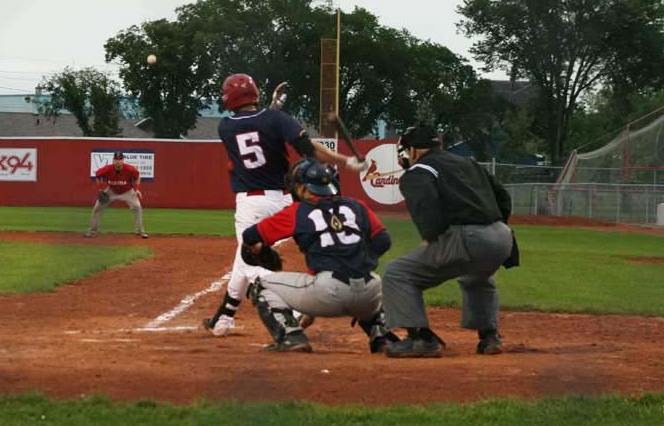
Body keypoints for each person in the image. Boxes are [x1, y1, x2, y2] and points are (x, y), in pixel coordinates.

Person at [203, 74, 368, 336]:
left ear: (230, 98)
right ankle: (223, 318)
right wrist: (346, 161)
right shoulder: (275, 119)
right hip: (285, 200)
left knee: (250, 264)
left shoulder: (225, 126)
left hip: (252, 202)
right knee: (241, 261)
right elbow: (307, 148)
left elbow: (254, 126)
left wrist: (273, 110)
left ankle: (294, 309)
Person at [382, 121, 516, 358]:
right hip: (502, 237)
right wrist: (496, 225)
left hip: (468, 237)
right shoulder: (468, 163)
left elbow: (426, 204)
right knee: (477, 274)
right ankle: (489, 336)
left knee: (397, 272)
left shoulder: (419, 170)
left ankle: (419, 339)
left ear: (414, 150)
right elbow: (503, 196)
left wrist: (430, 236)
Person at [244, 158, 398, 352]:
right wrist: (357, 262)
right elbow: (383, 241)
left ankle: (291, 336)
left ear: (302, 188)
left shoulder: (298, 210)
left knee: (261, 286)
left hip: (327, 292)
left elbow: (249, 236)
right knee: (368, 284)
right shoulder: (357, 205)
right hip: (371, 291)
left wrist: (260, 249)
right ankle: (381, 337)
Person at [84, 151, 148, 239]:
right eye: (116, 159)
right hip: (111, 191)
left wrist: (136, 189)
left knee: (137, 207)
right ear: (113, 160)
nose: (118, 161)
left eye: (120, 159)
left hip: (127, 191)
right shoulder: (108, 168)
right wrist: (100, 189)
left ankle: (140, 231)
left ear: (123, 160)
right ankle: (92, 231)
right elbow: (97, 175)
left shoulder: (130, 169)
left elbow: (138, 176)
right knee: (97, 208)